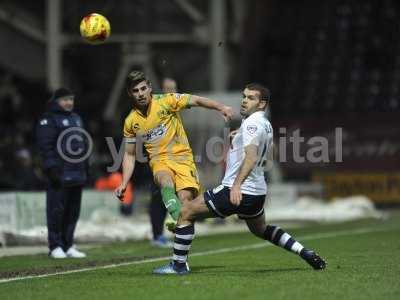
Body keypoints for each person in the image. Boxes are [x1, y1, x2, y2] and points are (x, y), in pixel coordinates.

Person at [153, 83, 326, 274]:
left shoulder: (251, 124)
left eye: (251, 98)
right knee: (261, 229)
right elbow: (270, 150)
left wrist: (236, 186)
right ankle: (304, 252)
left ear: (262, 104)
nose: (244, 100)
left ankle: (178, 265)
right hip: (257, 192)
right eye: (244, 96)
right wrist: (239, 136)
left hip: (236, 190)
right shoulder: (264, 123)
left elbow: (251, 157)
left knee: (186, 212)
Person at [114, 71, 233, 231]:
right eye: (135, 91)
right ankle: (177, 218)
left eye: (143, 89)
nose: (140, 94)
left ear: (149, 88)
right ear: (130, 93)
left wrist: (221, 107)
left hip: (183, 159)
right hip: (159, 161)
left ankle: (184, 218)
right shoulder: (131, 121)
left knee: (186, 200)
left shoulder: (167, 101)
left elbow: (196, 100)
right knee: (164, 180)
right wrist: (124, 182)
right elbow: (129, 154)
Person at [36, 88, 89, 259]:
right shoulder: (48, 119)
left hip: (77, 174)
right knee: (56, 211)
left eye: (71, 99)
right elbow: (46, 147)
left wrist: (85, 167)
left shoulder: (76, 118)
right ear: (56, 101)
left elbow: (82, 145)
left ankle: (68, 244)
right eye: (65, 99)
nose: (69, 103)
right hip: (59, 174)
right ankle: (55, 246)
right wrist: (51, 168)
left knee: (73, 212)